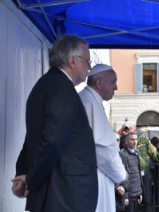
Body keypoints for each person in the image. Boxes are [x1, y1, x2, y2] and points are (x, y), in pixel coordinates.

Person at [11, 34, 98, 212]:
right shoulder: (61, 87)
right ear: (72, 61)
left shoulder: (45, 84)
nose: (89, 67)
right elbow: (52, 141)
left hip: (57, 192)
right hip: (65, 194)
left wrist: (24, 174)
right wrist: (31, 179)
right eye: (87, 61)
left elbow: (34, 137)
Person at [79, 64, 127, 212]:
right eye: (113, 82)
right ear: (99, 83)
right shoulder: (88, 102)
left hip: (99, 175)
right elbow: (101, 149)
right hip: (96, 177)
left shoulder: (91, 101)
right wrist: (120, 174)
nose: (116, 87)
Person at [119, 132, 144, 212]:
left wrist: (140, 192)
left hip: (136, 194)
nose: (135, 141)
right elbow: (123, 177)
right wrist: (125, 196)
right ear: (126, 141)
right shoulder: (123, 154)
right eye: (132, 139)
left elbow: (138, 174)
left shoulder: (136, 152)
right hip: (129, 194)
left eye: (136, 139)